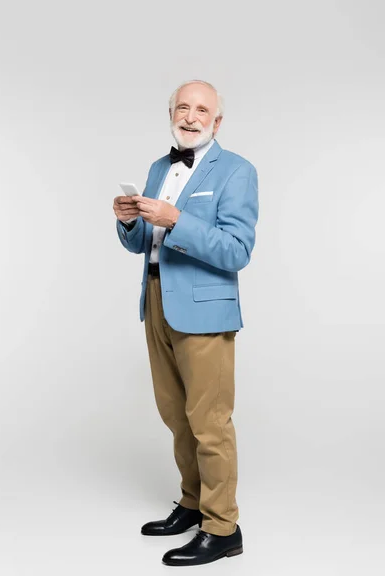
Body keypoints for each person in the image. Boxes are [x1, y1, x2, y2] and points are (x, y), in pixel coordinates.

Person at [113, 80, 259, 566]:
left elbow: (237, 250)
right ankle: (194, 503)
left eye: (202, 110)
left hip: (205, 308)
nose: (190, 116)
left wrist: (177, 219)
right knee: (176, 417)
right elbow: (141, 245)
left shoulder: (237, 171)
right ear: (172, 114)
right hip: (155, 299)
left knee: (209, 423)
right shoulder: (159, 167)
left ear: (217, 121)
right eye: (183, 107)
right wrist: (130, 221)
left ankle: (223, 528)